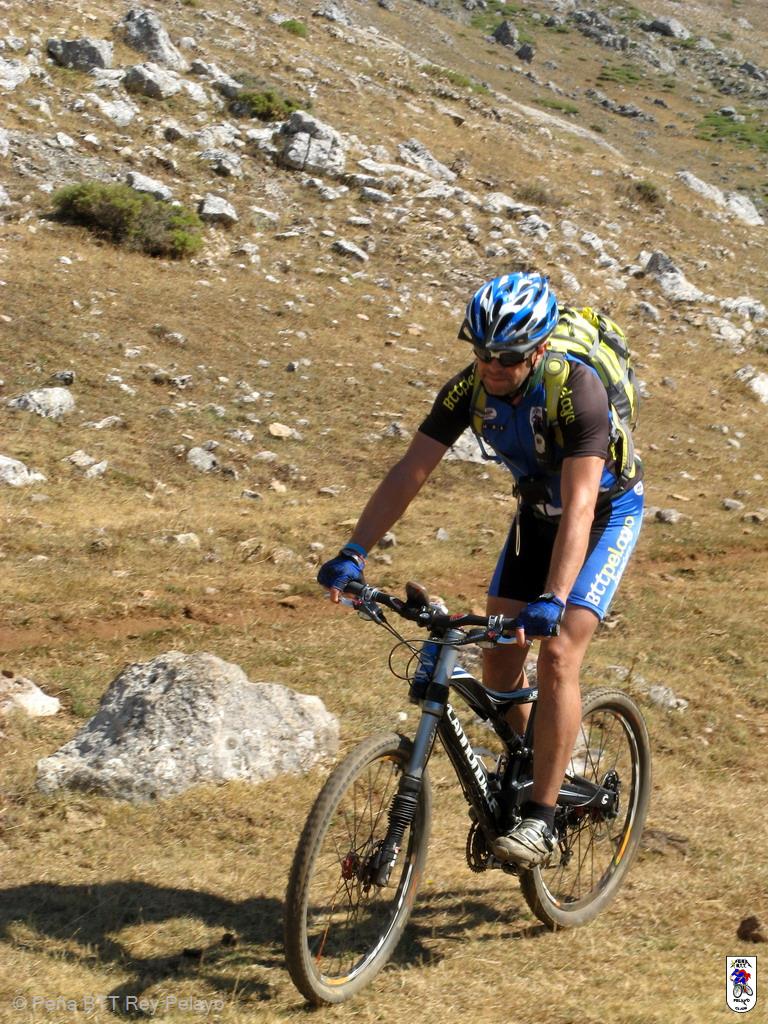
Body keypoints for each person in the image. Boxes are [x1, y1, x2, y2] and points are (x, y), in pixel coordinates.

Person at [317, 272, 644, 869]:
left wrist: (555, 597)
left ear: (537, 350)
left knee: (557, 654)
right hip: (537, 517)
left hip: (603, 515)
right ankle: (541, 762)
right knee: (498, 663)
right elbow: (411, 470)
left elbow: (580, 506)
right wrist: (354, 551)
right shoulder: (469, 389)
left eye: (508, 356)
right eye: (482, 352)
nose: (492, 366)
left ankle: (542, 817)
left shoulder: (578, 391)